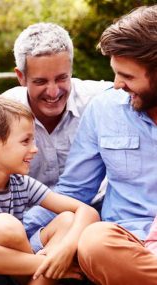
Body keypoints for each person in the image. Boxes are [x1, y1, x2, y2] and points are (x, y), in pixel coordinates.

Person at [26, 5, 157, 285]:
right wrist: (21, 228)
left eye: (128, 76)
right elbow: (74, 190)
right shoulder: (104, 109)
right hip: (121, 244)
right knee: (94, 242)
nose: (118, 84)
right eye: (116, 73)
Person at [0, 96, 99, 285]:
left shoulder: (20, 182)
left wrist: (64, 251)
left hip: (13, 270)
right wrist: (49, 262)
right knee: (4, 226)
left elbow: (87, 211)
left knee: (67, 220)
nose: (35, 149)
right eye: (25, 141)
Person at [2, 22, 112, 191]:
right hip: (28, 214)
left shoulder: (101, 100)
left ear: (71, 69)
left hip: (94, 208)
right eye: (40, 81)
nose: (53, 92)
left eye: (62, 78)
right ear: (21, 77)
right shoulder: (2, 114)